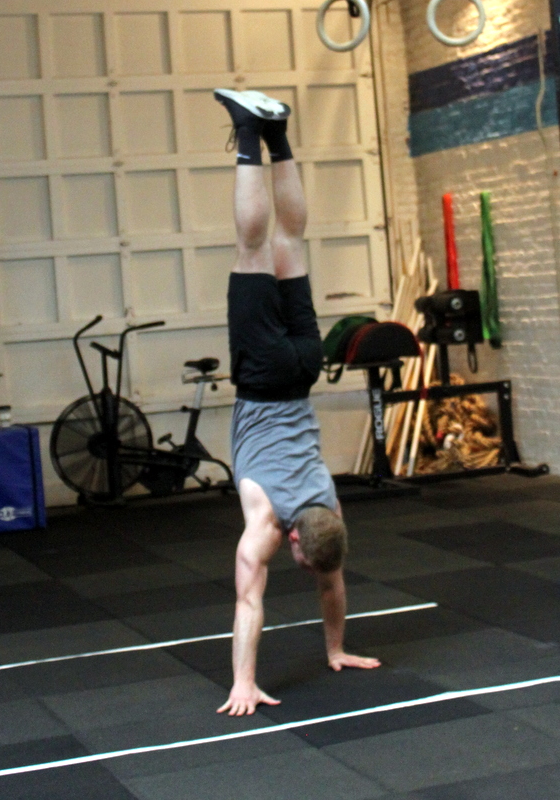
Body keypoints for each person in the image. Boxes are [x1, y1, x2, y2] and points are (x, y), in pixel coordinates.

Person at [214, 89, 381, 717]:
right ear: (294, 539)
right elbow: (248, 602)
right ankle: (248, 130)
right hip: (261, 374)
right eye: (305, 560)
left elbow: (332, 584)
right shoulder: (265, 525)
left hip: (306, 366)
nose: (307, 565)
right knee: (253, 246)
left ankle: (278, 132)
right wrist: (243, 683)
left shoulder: (330, 512)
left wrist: (337, 648)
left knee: (292, 238)